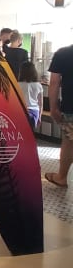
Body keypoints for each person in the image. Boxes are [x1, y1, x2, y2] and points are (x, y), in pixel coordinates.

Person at [46, 42, 73, 189]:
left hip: (71, 108)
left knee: (69, 142)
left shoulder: (63, 53)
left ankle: (62, 177)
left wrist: (53, 108)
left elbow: (54, 82)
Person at [17, 61, 43, 129]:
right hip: (34, 112)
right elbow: (40, 104)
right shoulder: (38, 85)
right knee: (30, 132)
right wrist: (39, 117)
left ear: (21, 72)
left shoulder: (17, 85)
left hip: (20, 111)